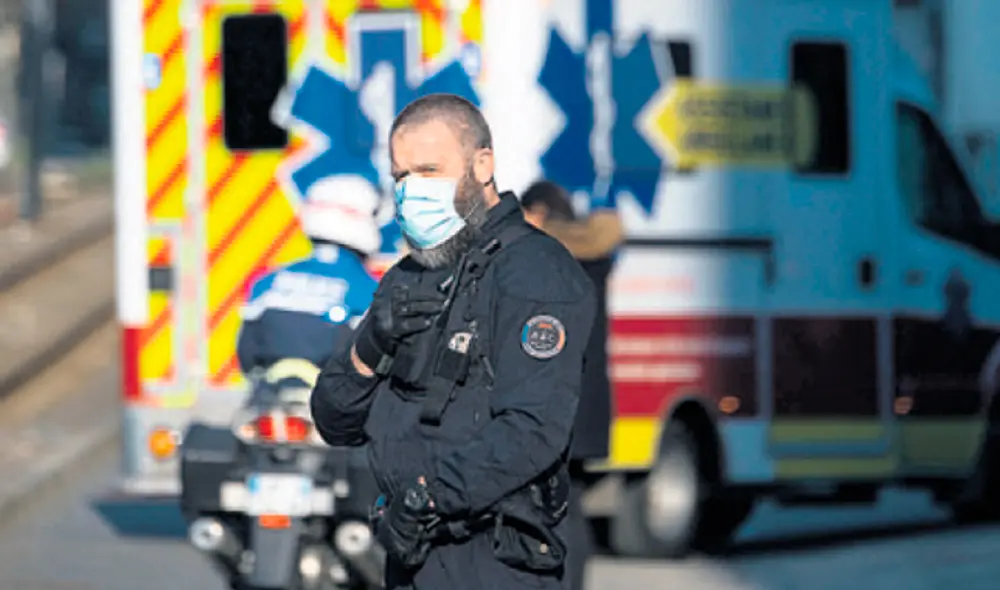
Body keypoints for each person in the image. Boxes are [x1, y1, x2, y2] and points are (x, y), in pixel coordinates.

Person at [310, 93, 597, 590]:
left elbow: (533, 427)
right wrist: (371, 346)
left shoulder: (534, 271)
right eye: (401, 177)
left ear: (482, 165)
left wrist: (427, 499)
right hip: (411, 556)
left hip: (494, 559)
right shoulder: (408, 277)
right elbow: (334, 421)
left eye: (428, 170)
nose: (411, 190)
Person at [521, 180, 623, 590]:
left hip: (556, 401)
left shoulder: (545, 258)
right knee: (570, 503)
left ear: (541, 213)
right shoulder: (594, 256)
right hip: (590, 401)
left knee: (551, 507)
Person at [236, 175, 381, 373]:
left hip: (269, 394)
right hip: (333, 396)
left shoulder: (267, 281)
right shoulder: (368, 289)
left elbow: (247, 353)